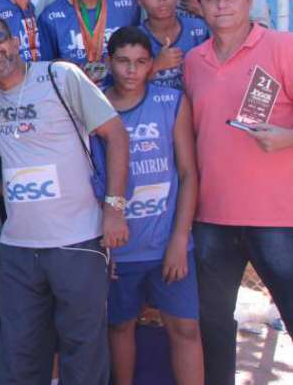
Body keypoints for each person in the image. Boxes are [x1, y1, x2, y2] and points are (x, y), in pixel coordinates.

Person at [0, 15, 130, 385]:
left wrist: (114, 209)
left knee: (83, 353)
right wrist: (3, 187)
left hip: (78, 241)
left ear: (14, 41)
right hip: (18, 249)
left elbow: (116, 135)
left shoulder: (60, 76)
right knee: (21, 355)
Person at [181, 0, 293, 385]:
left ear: (249, 1)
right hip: (212, 218)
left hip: (279, 218)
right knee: (214, 326)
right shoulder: (194, 61)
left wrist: (286, 136)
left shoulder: (283, 47)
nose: (221, 5)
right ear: (202, 8)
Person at [92, 26, 203, 385]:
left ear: (151, 64)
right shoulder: (95, 108)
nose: (130, 71)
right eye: (122, 61)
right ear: (109, 62)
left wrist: (178, 241)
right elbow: (88, 183)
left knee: (185, 328)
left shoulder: (170, 101)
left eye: (141, 62)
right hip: (120, 250)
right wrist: (102, 250)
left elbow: (187, 173)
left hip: (167, 245)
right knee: (120, 327)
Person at [135, 0, 209, 91]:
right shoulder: (135, 38)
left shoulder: (198, 28)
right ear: (139, 1)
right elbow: (126, 88)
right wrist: (156, 66)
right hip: (154, 109)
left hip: (194, 106)